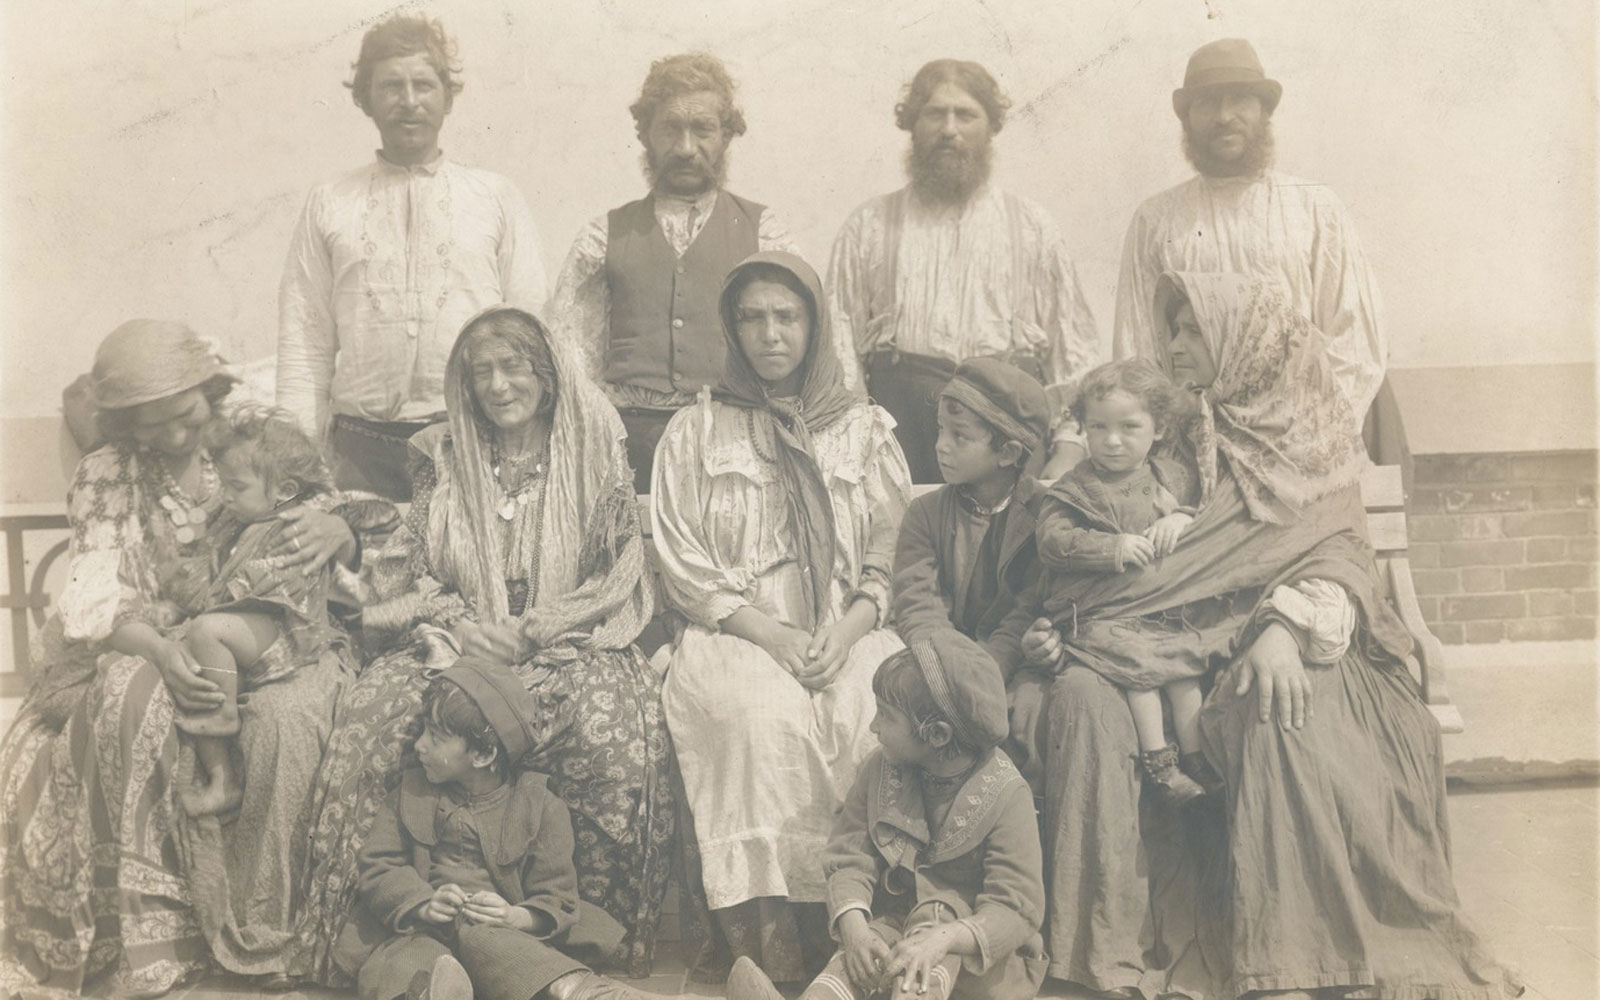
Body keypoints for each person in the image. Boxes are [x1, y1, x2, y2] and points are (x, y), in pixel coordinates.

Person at [991, 272, 1519, 999]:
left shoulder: (1310, 433)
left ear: (1248, 343)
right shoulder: (1169, 429)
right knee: (1083, 700)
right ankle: (1100, 961)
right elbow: (1075, 539)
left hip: (1285, 632)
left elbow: (1339, 553)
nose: (1175, 345)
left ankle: (1293, 958)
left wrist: (1282, 625)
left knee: (1280, 711)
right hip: (1139, 637)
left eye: (1193, 330)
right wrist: (1050, 639)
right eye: (1173, 328)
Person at [299, 305, 673, 984]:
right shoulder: (437, 454)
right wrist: (461, 623)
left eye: (512, 367)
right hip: (459, 635)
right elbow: (418, 566)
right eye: (480, 374)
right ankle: (408, 932)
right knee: (375, 715)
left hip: (571, 637)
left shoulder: (593, 448)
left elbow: (619, 567)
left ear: (547, 375)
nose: (497, 386)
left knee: (611, 732)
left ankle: (572, 945)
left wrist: (536, 631)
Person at [0, 320, 372, 997]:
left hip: (279, 631)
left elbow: (331, 523)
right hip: (146, 634)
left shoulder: (261, 438)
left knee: (285, 721)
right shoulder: (108, 473)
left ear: (211, 388)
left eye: (184, 415)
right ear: (122, 424)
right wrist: (165, 652)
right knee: (127, 698)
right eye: (150, 426)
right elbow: (102, 600)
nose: (174, 436)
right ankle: (152, 942)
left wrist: (338, 532)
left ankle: (269, 933)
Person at [651, 251, 911, 984]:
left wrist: (851, 628)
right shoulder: (697, 432)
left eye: (787, 316)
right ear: (731, 329)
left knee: (868, 713)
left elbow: (889, 555)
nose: (770, 334)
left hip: (845, 626)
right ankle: (770, 957)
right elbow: (683, 560)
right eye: (752, 317)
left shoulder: (863, 431)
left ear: (815, 325)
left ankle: (864, 938)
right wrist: (771, 633)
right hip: (739, 628)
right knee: (755, 718)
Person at [278, 13, 546, 500]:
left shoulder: (494, 196)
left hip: (470, 442)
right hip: (359, 454)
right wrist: (297, 464)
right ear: (364, 98)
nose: (409, 102)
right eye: (390, 87)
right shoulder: (330, 201)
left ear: (446, 96)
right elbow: (305, 341)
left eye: (423, 85)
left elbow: (529, 328)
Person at [1112, 38, 1409, 476]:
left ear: (1265, 112)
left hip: (1308, 435)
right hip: (1198, 441)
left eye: (1240, 100)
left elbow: (1356, 339)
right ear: (1187, 119)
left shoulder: (1314, 207)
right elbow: (1138, 347)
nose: (1224, 116)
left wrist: (1306, 436)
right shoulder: (1156, 219)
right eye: (1207, 103)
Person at [726, 631, 1045, 1000]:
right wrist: (855, 930)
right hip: (889, 935)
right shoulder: (880, 770)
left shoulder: (1007, 794)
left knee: (931, 939)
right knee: (856, 959)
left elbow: (1015, 908)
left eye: (886, 717)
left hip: (968, 958)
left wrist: (942, 939)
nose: (874, 727)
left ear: (937, 735)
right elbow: (849, 857)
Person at [827, 59, 1099, 484]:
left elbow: (1074, 351)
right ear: (912, 125)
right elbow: (839, 348)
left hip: (1012, 442)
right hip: (903, 447)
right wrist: (859, 450)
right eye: (935, 114)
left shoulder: (1031, 226)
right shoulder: (870, 226)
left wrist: (1067, 449)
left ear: (990, 128)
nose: (949, 129)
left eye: (966, 115)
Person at [547, 52, 798, 492]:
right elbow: (571, 361)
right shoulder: (601, 237)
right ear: (644, 134)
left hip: (735, 444)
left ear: (726, 136)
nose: (685, 148)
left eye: (702, 129)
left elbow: (793, 348)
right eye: (670, 129)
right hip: (630, 446)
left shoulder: (766, 234)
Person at [337, 659, 659, 1000]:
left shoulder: (540, 805)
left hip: (497, 938)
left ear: (483, 754)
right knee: (403, 963)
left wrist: (515, 916)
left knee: (487, 940)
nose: (420, 745)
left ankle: (586, 993)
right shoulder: (411, 793)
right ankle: (432, 993)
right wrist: (422, 903)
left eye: (436, 736)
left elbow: (558, 897)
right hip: (419, 931)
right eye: (423, 731)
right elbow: (379, 866)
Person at [1032, 358, 1213, 805]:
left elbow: (1201, 516)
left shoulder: (1168, 477)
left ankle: (1199, 758)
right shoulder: (1076, 488)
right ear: (1084, 429)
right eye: (1098, 427)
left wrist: (1180, 518)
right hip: (1097, 613)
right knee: (1142, 671)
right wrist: (1110, 548)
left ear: (1158, 429)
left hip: (1155, 608)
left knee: (1184, 671)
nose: (1112, 442)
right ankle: (1161, 764)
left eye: (1128, 427)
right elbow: (1053, 541)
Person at [168, 406, 348, 816]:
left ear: (283, 490)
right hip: (250, 625)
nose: (226, 496)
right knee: (198, 669)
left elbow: (262, 586)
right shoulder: (236, 523)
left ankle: (226, 714)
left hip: (288, 632)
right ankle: (222, 779)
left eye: (237, 486)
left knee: (205, 633)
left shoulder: (290, 526)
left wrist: (208, 602)